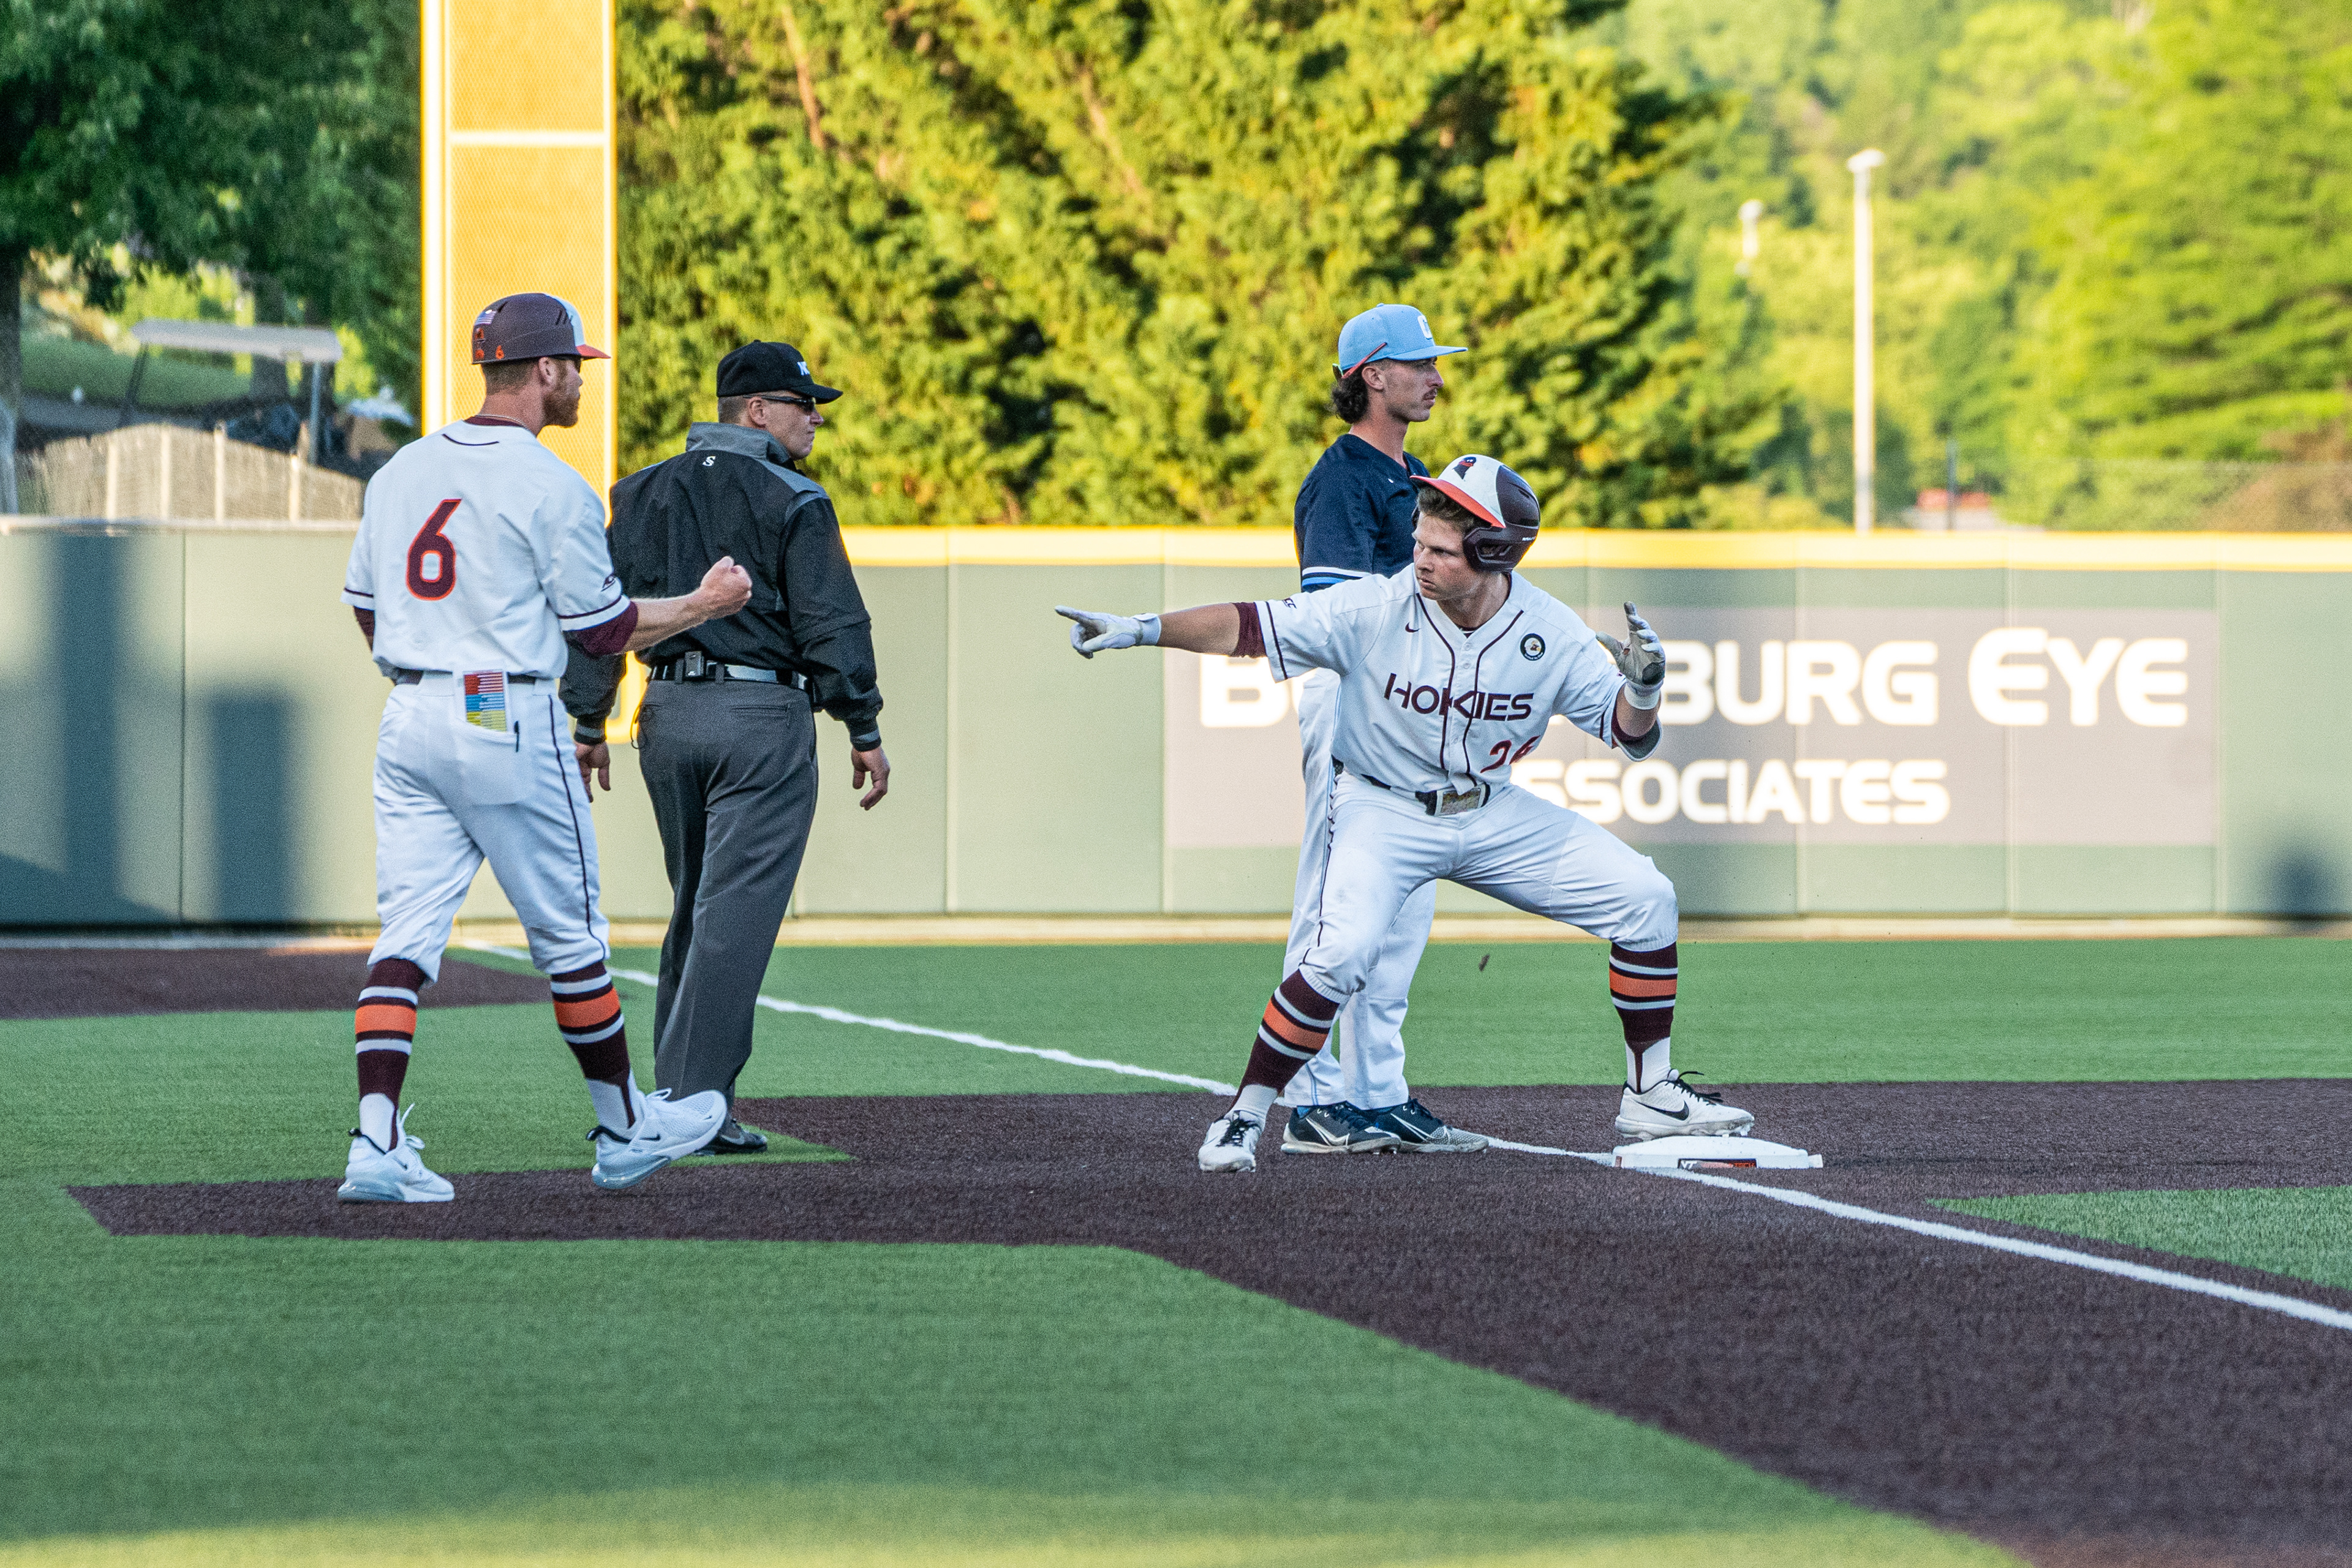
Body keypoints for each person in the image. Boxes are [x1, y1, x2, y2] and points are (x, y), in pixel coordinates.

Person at [1057, 454, 1756, 1173]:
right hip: (1381, 808)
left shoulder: (1548, 629)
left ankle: (1651, 1092)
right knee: (1341, 956)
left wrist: (1643, 689)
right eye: (1419, 541)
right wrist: (1140, 628)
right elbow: (1249, 626)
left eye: (1440, 550)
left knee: (1646, 898)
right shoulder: (1376, 607)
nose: (1419, 558)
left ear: (1493, 552)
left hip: (1488, 811)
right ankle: (1245, 1116)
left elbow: (1630, 737)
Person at [336, 291, 754, 1202]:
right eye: (576, 366)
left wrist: (429, 663)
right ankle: (623, 1129)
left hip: (411, 712)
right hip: (502, 711)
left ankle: (374, 1144)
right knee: (571, 939)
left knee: (403, 940)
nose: (581, 381)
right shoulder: (549, 483)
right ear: (545, 371)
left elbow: (366, 606)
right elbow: (602, 630)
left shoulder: (402, 468)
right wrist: (703, 606)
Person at [567, 341, 888, 1153]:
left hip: (666, 715)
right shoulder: (796, 495)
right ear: (755, 412)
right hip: (759, 720)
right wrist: (864, 725)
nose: (815, 416)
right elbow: (833, 622)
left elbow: (602, 616)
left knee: (698, 914)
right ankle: (684, 1108)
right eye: (802, 402)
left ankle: (680, 1100)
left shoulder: (638, 493)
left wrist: (587, 720)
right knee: (731, 920)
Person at [1277, 302, 1483, 1157]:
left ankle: (1377, 1091)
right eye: (1419, 363)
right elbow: (1339, 616)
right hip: (1354, 701)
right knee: (1334, 902)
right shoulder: (1341, 480)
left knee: (1404, 907)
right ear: (1372, 374)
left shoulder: (1419, 476)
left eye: (1437, 362)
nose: (1436, 374)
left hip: (1415, 706)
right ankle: (1310, 1097)